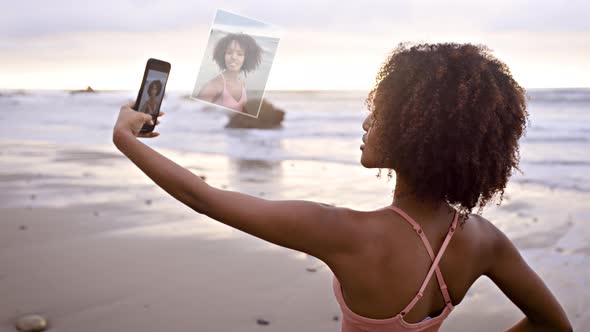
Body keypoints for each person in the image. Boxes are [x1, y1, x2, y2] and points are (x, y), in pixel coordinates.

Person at [112, 42, 572, 331]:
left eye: (381, 113)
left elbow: (202, 196)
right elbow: (555, 326)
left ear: (418, 132)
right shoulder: (484, 240)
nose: (367, 121)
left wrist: (124, 138)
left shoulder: (347, 233)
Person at [196, 32, 263, 114]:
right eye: (229, 52)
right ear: (222, 55)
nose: (234, 57)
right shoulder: (214, 85)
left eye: (240, 54)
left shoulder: (242, 83)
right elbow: (197, 116)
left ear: (247, 58)